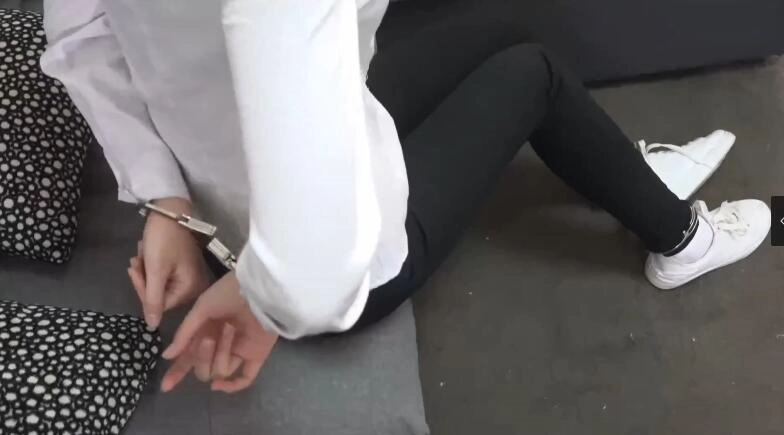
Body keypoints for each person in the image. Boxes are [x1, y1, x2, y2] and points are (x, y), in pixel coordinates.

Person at [41, 0, 771, 394]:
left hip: (232, 185)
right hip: (345, 255)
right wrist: (263, 293)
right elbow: (312, 281)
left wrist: (165, 200)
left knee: (505, 30)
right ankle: (683, 241)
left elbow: (83, 33)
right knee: (534, 75)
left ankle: (628, 180)